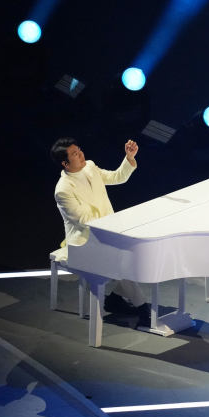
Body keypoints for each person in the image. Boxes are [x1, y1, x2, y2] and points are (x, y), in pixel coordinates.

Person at [51, 137, 149, 324]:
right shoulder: (63, 190)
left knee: (135, 253)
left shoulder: (90, 166)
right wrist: (113, 227)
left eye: (79, 150)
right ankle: (142, 307)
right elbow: (84, 220)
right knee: (122, 259)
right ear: (65, 163)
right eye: (74, 154)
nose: (80, 154)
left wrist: (129, 158)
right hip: (84, 242)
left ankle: (115, 300)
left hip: (108, 233)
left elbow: (117, 177)